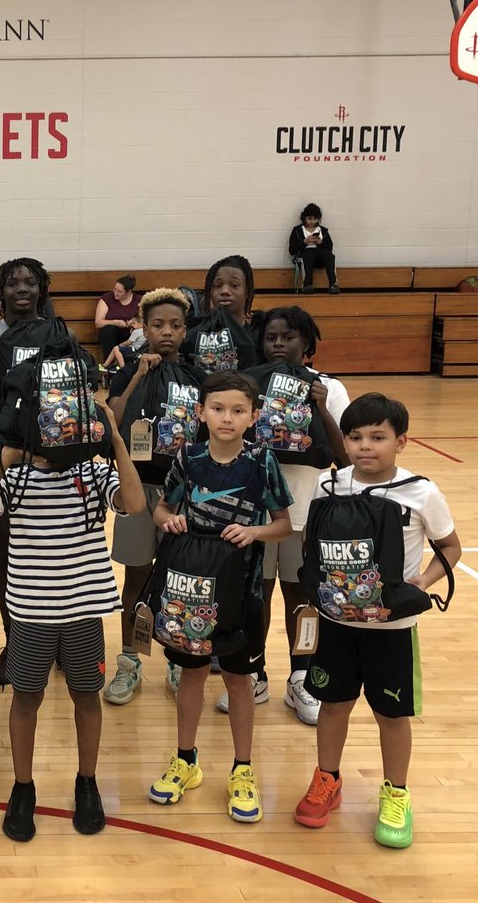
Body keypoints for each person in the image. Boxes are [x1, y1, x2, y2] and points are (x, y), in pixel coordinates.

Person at [0, 412, 145, 841]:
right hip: (30, 612)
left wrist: (116, 441)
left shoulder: (92, 471)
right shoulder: (17, 476)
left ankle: (87, 781)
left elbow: (135, 504)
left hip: (84, 609)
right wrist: (3, 460)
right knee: (26, 699)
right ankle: (22, 787)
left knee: (87, 697)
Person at [295, 393, 460, 848]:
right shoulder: (329, 488)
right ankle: (328, 778)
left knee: (391, 714)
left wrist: (420, 584)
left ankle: (396, 793)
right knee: (333, 706)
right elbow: (313, 541)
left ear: (401, 441)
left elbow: (451, 548)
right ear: (344, 441)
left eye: (378, 437)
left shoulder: (421, 491)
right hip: (337, 625)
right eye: (355, 437)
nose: (366, 446)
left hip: (392, 631)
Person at [148, 370, 293, 823]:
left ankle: (242, 769)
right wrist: (166, 520)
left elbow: (284, 524)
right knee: (190, 677)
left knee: (237, 679)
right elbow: (161, 507)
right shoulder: (188, 457)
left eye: (236, 410)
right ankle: (186, 761)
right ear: (200, 413)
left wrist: (254, 531)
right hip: (191, 591)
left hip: (243, 592)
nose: (226, 418)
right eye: (217, 409)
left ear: (253, 416)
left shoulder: (261, 461)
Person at [214, 306, 348, 724]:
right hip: (253, 514)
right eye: (271, 336)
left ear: (306, 345)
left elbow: (344, 459)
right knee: (253, 596)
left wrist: (321, 409)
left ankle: (302, 677)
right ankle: (254, 671)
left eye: (287, 337)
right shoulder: (250, 385)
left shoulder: (329, 387)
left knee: (301, 598)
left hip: (305, 514)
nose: (277, 344)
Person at [104, 288, 201, 704]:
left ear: (185, 330)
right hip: (139, 489)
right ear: (143, 327)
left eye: (175, 325)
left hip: (185, 492)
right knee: (137, 580)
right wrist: (140, 375)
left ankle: (178, 660)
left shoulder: (196, 376)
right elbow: (114, 418)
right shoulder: (128, 371)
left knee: (181, 582)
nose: (166, 332)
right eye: (158, 325)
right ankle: (130, 661)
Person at [0, 258, 57, 684]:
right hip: (3, 462)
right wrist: (9, 421)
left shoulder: (63, 336)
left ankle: (55, 640)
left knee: (55, 555)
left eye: (30, 281)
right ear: (0, 293)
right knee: (9, 554)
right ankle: (15, 643)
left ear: (41, 289)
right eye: (13, 283)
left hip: (57, 465)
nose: (22, 288)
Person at [288, 202, 341, 294]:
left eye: (315, 219)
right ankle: (307, 284)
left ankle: (333, 284)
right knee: (309, 253)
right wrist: (305, 241)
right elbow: (292, 250)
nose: (312, 221)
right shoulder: (297, 230)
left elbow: (330, 247)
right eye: (309, 219)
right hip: (305, 254)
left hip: (320, 255)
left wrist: (321, 242)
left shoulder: (323, 230)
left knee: (329, 255)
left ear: (318, 219)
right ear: (304, 218)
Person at [94, 275, 141, 359]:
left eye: (119, 291)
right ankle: (109, 363)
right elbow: (98, 322)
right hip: (112, 336)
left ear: (128, 291)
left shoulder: (139, 300)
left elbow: (145, 319)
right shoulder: (107, 298)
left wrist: (133, 321)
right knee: (107, 329)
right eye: (114, 289)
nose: (115, 293)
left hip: (132, 335)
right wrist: (115, 322)